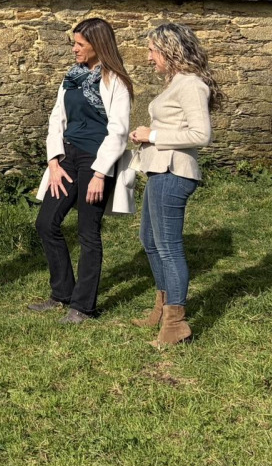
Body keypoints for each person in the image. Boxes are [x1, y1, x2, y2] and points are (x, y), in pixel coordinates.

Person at [30, 18, 135, 324]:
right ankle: (62, 293)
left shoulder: (116, 81)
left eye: (80, 44)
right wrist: (53, 161)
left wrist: (100, 173)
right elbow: (57, 118)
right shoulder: (72, 77)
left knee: (88, 232)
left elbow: (118, 130)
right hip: (67, 156)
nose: (74, 49)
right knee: (46, 223)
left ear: (97, 45)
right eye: (74, 43)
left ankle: (83, 306)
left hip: (96, 159)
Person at [129, 23, 220, 348]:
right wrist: (146, 135)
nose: (148, 57)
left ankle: (176, 324)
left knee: (168, 246)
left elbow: (201, 135)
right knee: (150, 241)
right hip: (159, 170)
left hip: (173, 173)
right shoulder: (177, 83)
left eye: (152, 50)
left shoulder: (191, 84)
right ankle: (162, 308)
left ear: (170, 51)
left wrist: (152, 135)